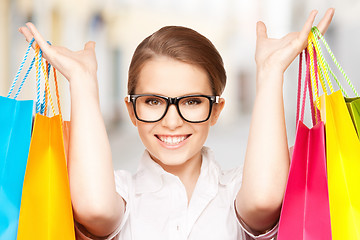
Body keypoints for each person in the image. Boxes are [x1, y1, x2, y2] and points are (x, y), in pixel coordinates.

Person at [19, 8, 334, 240]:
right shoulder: (120, 193)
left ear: (216, 109)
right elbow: (96, 210)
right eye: (153, 101)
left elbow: (264, 199)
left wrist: (270, 72)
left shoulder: (236, 191)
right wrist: (82, 81)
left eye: (192, 102)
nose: (172, 121)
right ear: (131, 109)